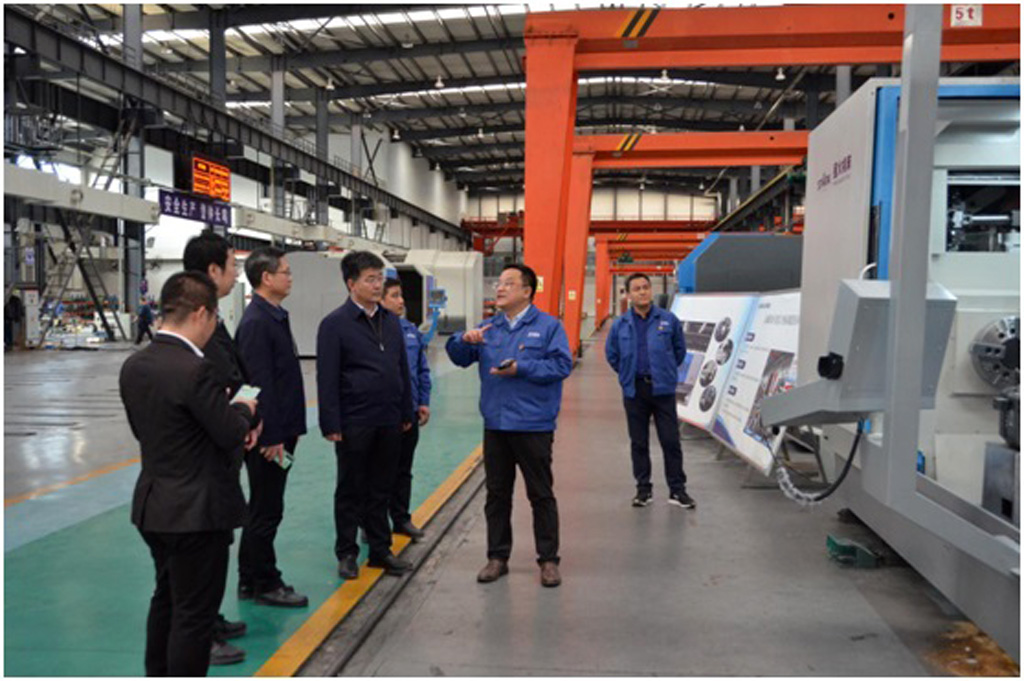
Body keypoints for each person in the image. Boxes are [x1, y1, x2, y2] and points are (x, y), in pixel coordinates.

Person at [119, 271, 260, 677]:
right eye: (215, 318)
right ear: (201, 313)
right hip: (198, 513)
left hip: (154, 506)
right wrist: (243, 409)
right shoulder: (196, 370)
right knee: (194, 616)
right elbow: (230, 433)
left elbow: (148, 431)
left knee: (166, 599)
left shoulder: (135, 365)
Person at [445, 264, 572, 588]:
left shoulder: (548, 327)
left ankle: (548, 560)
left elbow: (562, 365)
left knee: (540, 494)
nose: (499, 288)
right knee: (497, 495)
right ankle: (497, 558)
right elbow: (458, 356)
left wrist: (522, 368)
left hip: (533, 425)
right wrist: (462, 339)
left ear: (527, 291)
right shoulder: (489, 327)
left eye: (508, 284)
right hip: (497, 424)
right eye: (499, 283)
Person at [316, 251, 414, 580]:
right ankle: (347, 553)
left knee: (381, 488)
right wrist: (331, 422)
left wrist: (405, 410)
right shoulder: (335, 325)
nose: (377, 285)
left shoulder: (391, 321)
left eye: (379, 279)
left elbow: (401, 369)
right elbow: (327, 377)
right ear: (351, 283)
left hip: (389, 418)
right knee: (351, 488)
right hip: (354, 420)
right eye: (370, 279)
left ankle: (380, 550)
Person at [182, 231, 253, 665]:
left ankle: (209, 617)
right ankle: (201, 631)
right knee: (202, 550)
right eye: (231, 266)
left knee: (217, 540)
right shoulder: (197, 330)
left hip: (227, 442)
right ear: (212, 270)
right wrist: (241, 416)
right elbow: (220, 383)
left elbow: (236, 373)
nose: (235, 274)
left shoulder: (215, 319)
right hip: (207, 454)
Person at [235, 247, 309, 608]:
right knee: (266, 509)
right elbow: (255, 385)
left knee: (264, 506)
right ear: (266, 278)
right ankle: (265, 582)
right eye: (285, 272)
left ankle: (249, 579)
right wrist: (270, 436)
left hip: (281, 433)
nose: (290, 278)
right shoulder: (257, 323)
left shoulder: (273, 316)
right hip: (271, 438)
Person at [605, 273, 696, 510]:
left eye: (646, 287)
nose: (642, 292)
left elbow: (679, 350)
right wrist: (627, 374)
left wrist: (665, 371)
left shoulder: (668, 320)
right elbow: (612, 355)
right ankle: (643, 490)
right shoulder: (620, 324)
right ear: (628, 294)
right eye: (637, 289)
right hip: (635, 390)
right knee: (639, 442)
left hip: (662, 389)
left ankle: (677, 490)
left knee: (670, 441)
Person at [380, 278, 431, 542]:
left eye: (401, 296)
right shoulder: (373, 331)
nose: (401, 301)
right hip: (385, 414)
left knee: (403, 469)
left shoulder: (411, 331)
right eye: (394, 296)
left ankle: (400, 518)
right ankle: (372, 523)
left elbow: (422, 369)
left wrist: (423, 401)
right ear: (380, 300)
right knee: (378, 471)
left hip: (409, 411)